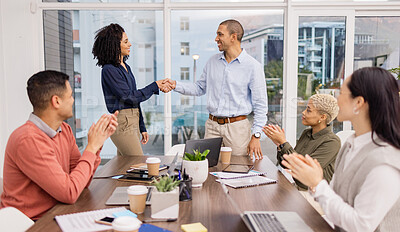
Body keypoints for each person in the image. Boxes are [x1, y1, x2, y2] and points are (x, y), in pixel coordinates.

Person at [282, 67, 400, 231]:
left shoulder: (386, 163)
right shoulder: (351, 145)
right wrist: (315, 185)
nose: (336, 100)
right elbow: (335, 199)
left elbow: (360, 226)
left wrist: (317, 183)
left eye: (341, 93)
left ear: (358, 102)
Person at [0, 70, 118, 220]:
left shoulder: (64, 130)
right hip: (32, 223)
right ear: (56, 101)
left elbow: (81, 182)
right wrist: (91, 147)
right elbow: (70, 192)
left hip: (58, 212)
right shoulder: (28, 139)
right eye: (70, 96)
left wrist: (98, 142)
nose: (73, 100)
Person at [164, 19, 268, 159]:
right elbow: (199, 88)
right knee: (209, 167)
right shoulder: (212, 62)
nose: (216, 39)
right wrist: (175, 85)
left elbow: (261, 105)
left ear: (233, 37)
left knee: (238, 168)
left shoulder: (253, 66)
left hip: (237, 129)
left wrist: (256, 135)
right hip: (212, 126)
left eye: (220, 34)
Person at [92, 23, 171, 156]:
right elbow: (129, 97)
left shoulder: (126, 67)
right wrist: (155, 86)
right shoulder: (109, 70)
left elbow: (135, 100)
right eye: (126, 42)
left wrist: (142, 127)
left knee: (125, 168)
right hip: (123, 122)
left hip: (132, 120)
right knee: (137, 163)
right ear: (114, 45)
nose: (130, 45)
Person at [263, 94, 340, 191]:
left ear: (322, 117)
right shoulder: (306, 133)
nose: (303, 113)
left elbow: (305, 171)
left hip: (315, 194)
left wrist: (283, 142)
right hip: (298, 188)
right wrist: (279, 145)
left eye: (308, 110)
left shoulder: (332, 142)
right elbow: (286, 163)